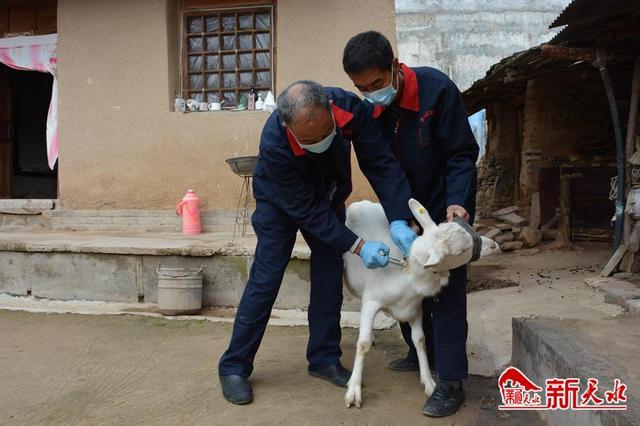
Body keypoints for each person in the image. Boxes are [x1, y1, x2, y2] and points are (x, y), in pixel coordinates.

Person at [218, 80, 418, 405]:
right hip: (280, 204)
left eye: (325, 134)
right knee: (265, 279)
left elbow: (380, 162)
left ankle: (324, 359)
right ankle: (234, 367)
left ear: (329, 109)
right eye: (308, 140)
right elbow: (306, 211)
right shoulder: (274, 141)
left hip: (328, 194)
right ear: (288, 127)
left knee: (328, 278)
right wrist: (357, 245)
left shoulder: (349, 109)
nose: (319, 142)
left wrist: (397, 216)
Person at [342, 31, 479, 418]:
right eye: (361, 88)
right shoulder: (368, 112)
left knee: (444, 287)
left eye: (377, 84)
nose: (371, 93)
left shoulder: (438, 91)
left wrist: (457, 205)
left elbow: (461, 153)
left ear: (395, 67)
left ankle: (451, 380)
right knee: (407, 273)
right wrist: (399, 215)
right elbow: (379, 165)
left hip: (446, 205)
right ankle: (417, 348)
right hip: (402, 206)